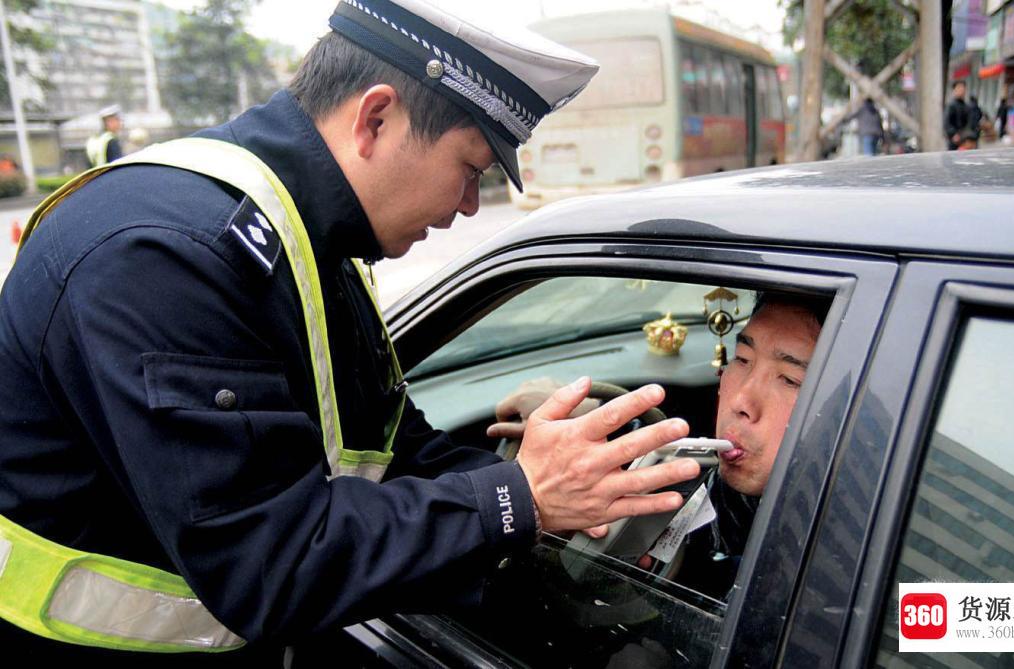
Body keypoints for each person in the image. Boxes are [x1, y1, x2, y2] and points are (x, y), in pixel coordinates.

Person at [0, 1, 703, 663]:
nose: (466, 204)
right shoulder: (169, 257)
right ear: (376, 119)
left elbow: (390, 446)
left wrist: (555, 484)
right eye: (470, 169)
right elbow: (270, 565)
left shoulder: (312, 244)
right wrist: (515, 496)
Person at [490, 292, 828, 599]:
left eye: (790, 380)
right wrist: (595, 417)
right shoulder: (744, 486)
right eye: (742, 359)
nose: (741, 400)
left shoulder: (830, 547)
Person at [944, 81, 970, 150]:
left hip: (965, 139)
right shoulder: (951, 105)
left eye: (962, 88)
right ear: (954, 90)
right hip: (954, 140)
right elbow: (946, 122)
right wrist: (953, 134)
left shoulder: (966, 106)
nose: (961, 90)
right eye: (958, 88)